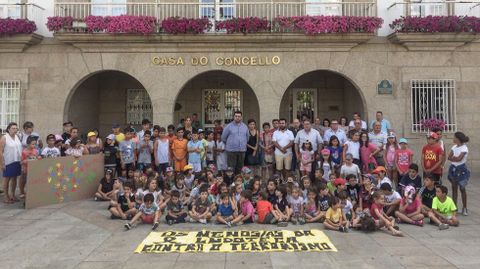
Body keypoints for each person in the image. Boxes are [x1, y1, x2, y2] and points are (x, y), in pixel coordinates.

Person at [447, 131, 470, 216]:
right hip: (453, 169)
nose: (453, 138)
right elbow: (449, 157)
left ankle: (464, 208)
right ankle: (454, 207)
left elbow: (459, 159)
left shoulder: (464, 148)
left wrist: (454, 158)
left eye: (454, 137)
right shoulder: (454, 147)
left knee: (462, 188)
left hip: (461, 169)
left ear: (458, 139)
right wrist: (454, 158)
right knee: (454, 188)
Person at [221, 111, 249, 175]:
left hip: (242, 150)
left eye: (239, 116)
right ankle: (231, 182)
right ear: (233, 117)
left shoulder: (245, 126)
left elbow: (247, 138)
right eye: (236, 116)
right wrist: (231, 144)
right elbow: (223, 138)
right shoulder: (229, 126)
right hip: (231, 151)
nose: (237, 117)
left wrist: (243, 143)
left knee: (240, 168)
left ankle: (238, 181)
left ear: (241, 117)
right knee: (231, 168)